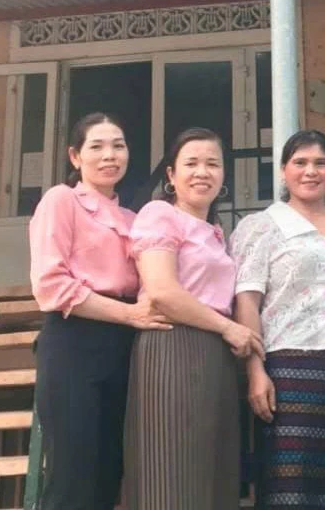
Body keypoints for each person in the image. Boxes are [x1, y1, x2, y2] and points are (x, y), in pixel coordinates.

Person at [232, 129, 325, 510]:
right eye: (299, 162)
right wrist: (255, 370)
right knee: (291, 483)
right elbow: (247, 301)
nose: (310, 171)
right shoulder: (262, 227)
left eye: (320, 163)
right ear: (283, 171)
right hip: (287, 369)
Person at [29, 112, 172, 510]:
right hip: (74, 339)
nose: (110, 155)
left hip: (125, 346)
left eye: (119, 145)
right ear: (75, 156)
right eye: (97, 146)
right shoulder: (61, 201)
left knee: (110, 471)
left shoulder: (133, 218)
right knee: (72, 474)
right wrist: (129, 315)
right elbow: (51, 286)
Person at [124, 127, 264, 510]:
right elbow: (163, 292)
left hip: (215, 356)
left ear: (223, 176)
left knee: (213, 476)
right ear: (170, 175)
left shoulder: (217, 233)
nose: (202, 172)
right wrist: (228, 327)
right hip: (172, 346)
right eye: (191, 163)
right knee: (171, 476)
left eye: (212, 164)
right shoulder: (160, 215)